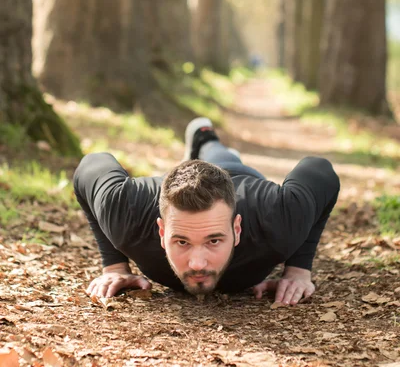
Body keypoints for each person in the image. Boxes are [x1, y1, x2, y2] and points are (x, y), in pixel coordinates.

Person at [73, 117, 340, 305]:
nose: (197, 263)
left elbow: (320, 171)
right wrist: (114, 266)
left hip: (238, 177)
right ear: (162, 231)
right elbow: (91, 165)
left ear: (237, 230)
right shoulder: (127, 214)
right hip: (171, 184)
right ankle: (198, 150)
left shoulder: (277, 218)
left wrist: (298, 270)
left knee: (223, 158)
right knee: (206, 161)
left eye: (214, 240)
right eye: (181, 242)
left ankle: (205, 137)